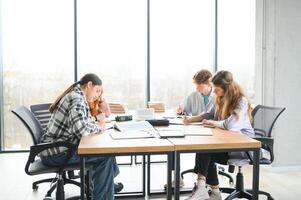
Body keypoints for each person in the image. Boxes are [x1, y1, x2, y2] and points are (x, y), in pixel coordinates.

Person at [40, 73, 120, 200]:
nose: (98, 95)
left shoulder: (77, 95)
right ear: (89, 85)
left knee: (107, 156)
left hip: (55, 149)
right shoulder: (76, 98)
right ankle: (105, 185)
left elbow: (84, 121)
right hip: (56, 154)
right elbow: (81, 129)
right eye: (97, 90)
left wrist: (95, 121)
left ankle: (105, 184)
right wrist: (101, 127)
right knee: (106, 157)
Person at [183, 70, 254, 200]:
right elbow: (209, 114)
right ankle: (212, 192)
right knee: (203, 147)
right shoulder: (220, 98)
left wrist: (213, 123)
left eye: (217, 90)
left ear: (227, 89)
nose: (214, 92)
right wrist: (191, 119)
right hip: (227, 143)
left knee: (206, 149)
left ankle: (202, 189)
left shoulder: (241, 101)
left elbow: (231, 125)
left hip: (243, 147)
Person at [165, 69, 215, 189]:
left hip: (212, 133)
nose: (197, 88)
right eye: (196, 85)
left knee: (205, 149)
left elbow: (212, 115)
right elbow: (181, 109)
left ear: (209, 84)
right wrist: (180, 109)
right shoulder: (193, 95)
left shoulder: (217, 96)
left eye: (199, 85)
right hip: (195, 131)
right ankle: (176, 177)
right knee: (173, 143)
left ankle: (204, 182)